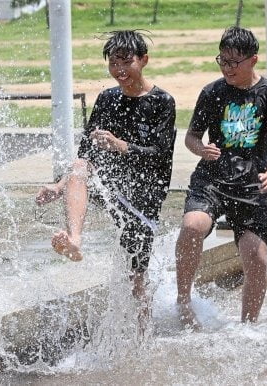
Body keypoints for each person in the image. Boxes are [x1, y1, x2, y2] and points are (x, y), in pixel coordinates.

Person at [36, 30, 177, 318]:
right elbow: (86, 153)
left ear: (144, 60)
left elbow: (161, 156)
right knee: (78, 168)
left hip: (143, 195)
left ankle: (143, 339)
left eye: (126, 62)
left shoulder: (163, 101)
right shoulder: (107, 99)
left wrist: (120, 145)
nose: (119, 71)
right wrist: (60, 185)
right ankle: (75, 239)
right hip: (111, 187)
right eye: (113, 64)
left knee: (136, 276)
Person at [175, 26, 267, 324]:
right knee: (192, 226)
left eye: (233, 62)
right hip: (212, 179)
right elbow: (190, 138)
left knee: (257, 257)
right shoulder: (212, 92)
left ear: (252, 60)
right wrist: (201, 150)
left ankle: (248, 325)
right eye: (222, 61)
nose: (227, 68)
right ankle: (183, 300)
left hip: (252, 185)